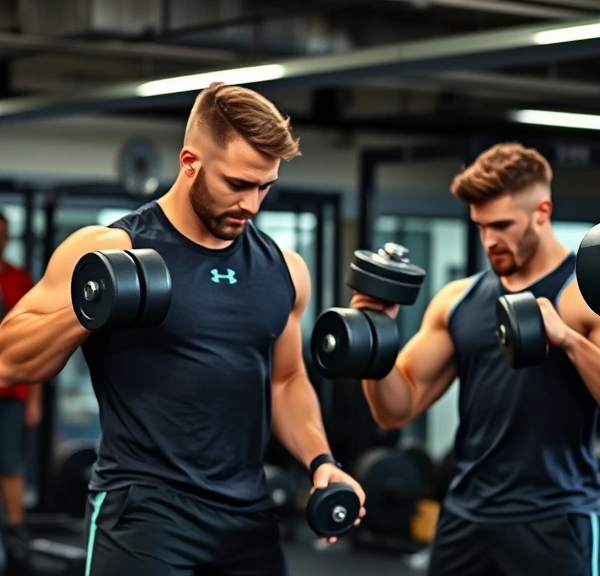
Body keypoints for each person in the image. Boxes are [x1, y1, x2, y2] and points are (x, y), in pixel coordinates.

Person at [0, 82, 365, 576]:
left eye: (265, 187)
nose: (252, 204)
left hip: (247, 517)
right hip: (144, 513)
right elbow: (8, 360)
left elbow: (285, 381)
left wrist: (321, 460)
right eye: (237, 184)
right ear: (190, 161)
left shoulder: (283, 270)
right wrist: (93, 307)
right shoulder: (112, 246)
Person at [354, 142, 600, 576]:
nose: (490, 241)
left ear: (542, 210)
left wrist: (568, 341)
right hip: (466, 518)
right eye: (481, 226)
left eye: (501, 225)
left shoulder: (586, 296)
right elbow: (395, 408)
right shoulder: (456, 300)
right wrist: (374, 339)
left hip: (556, 519)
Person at [0, 211, 40, 548]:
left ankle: (16, 532)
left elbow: (35, 343)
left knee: (10, 462)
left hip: (12, 391)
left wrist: (35, 400)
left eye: (3, 234)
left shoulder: (18, 278)